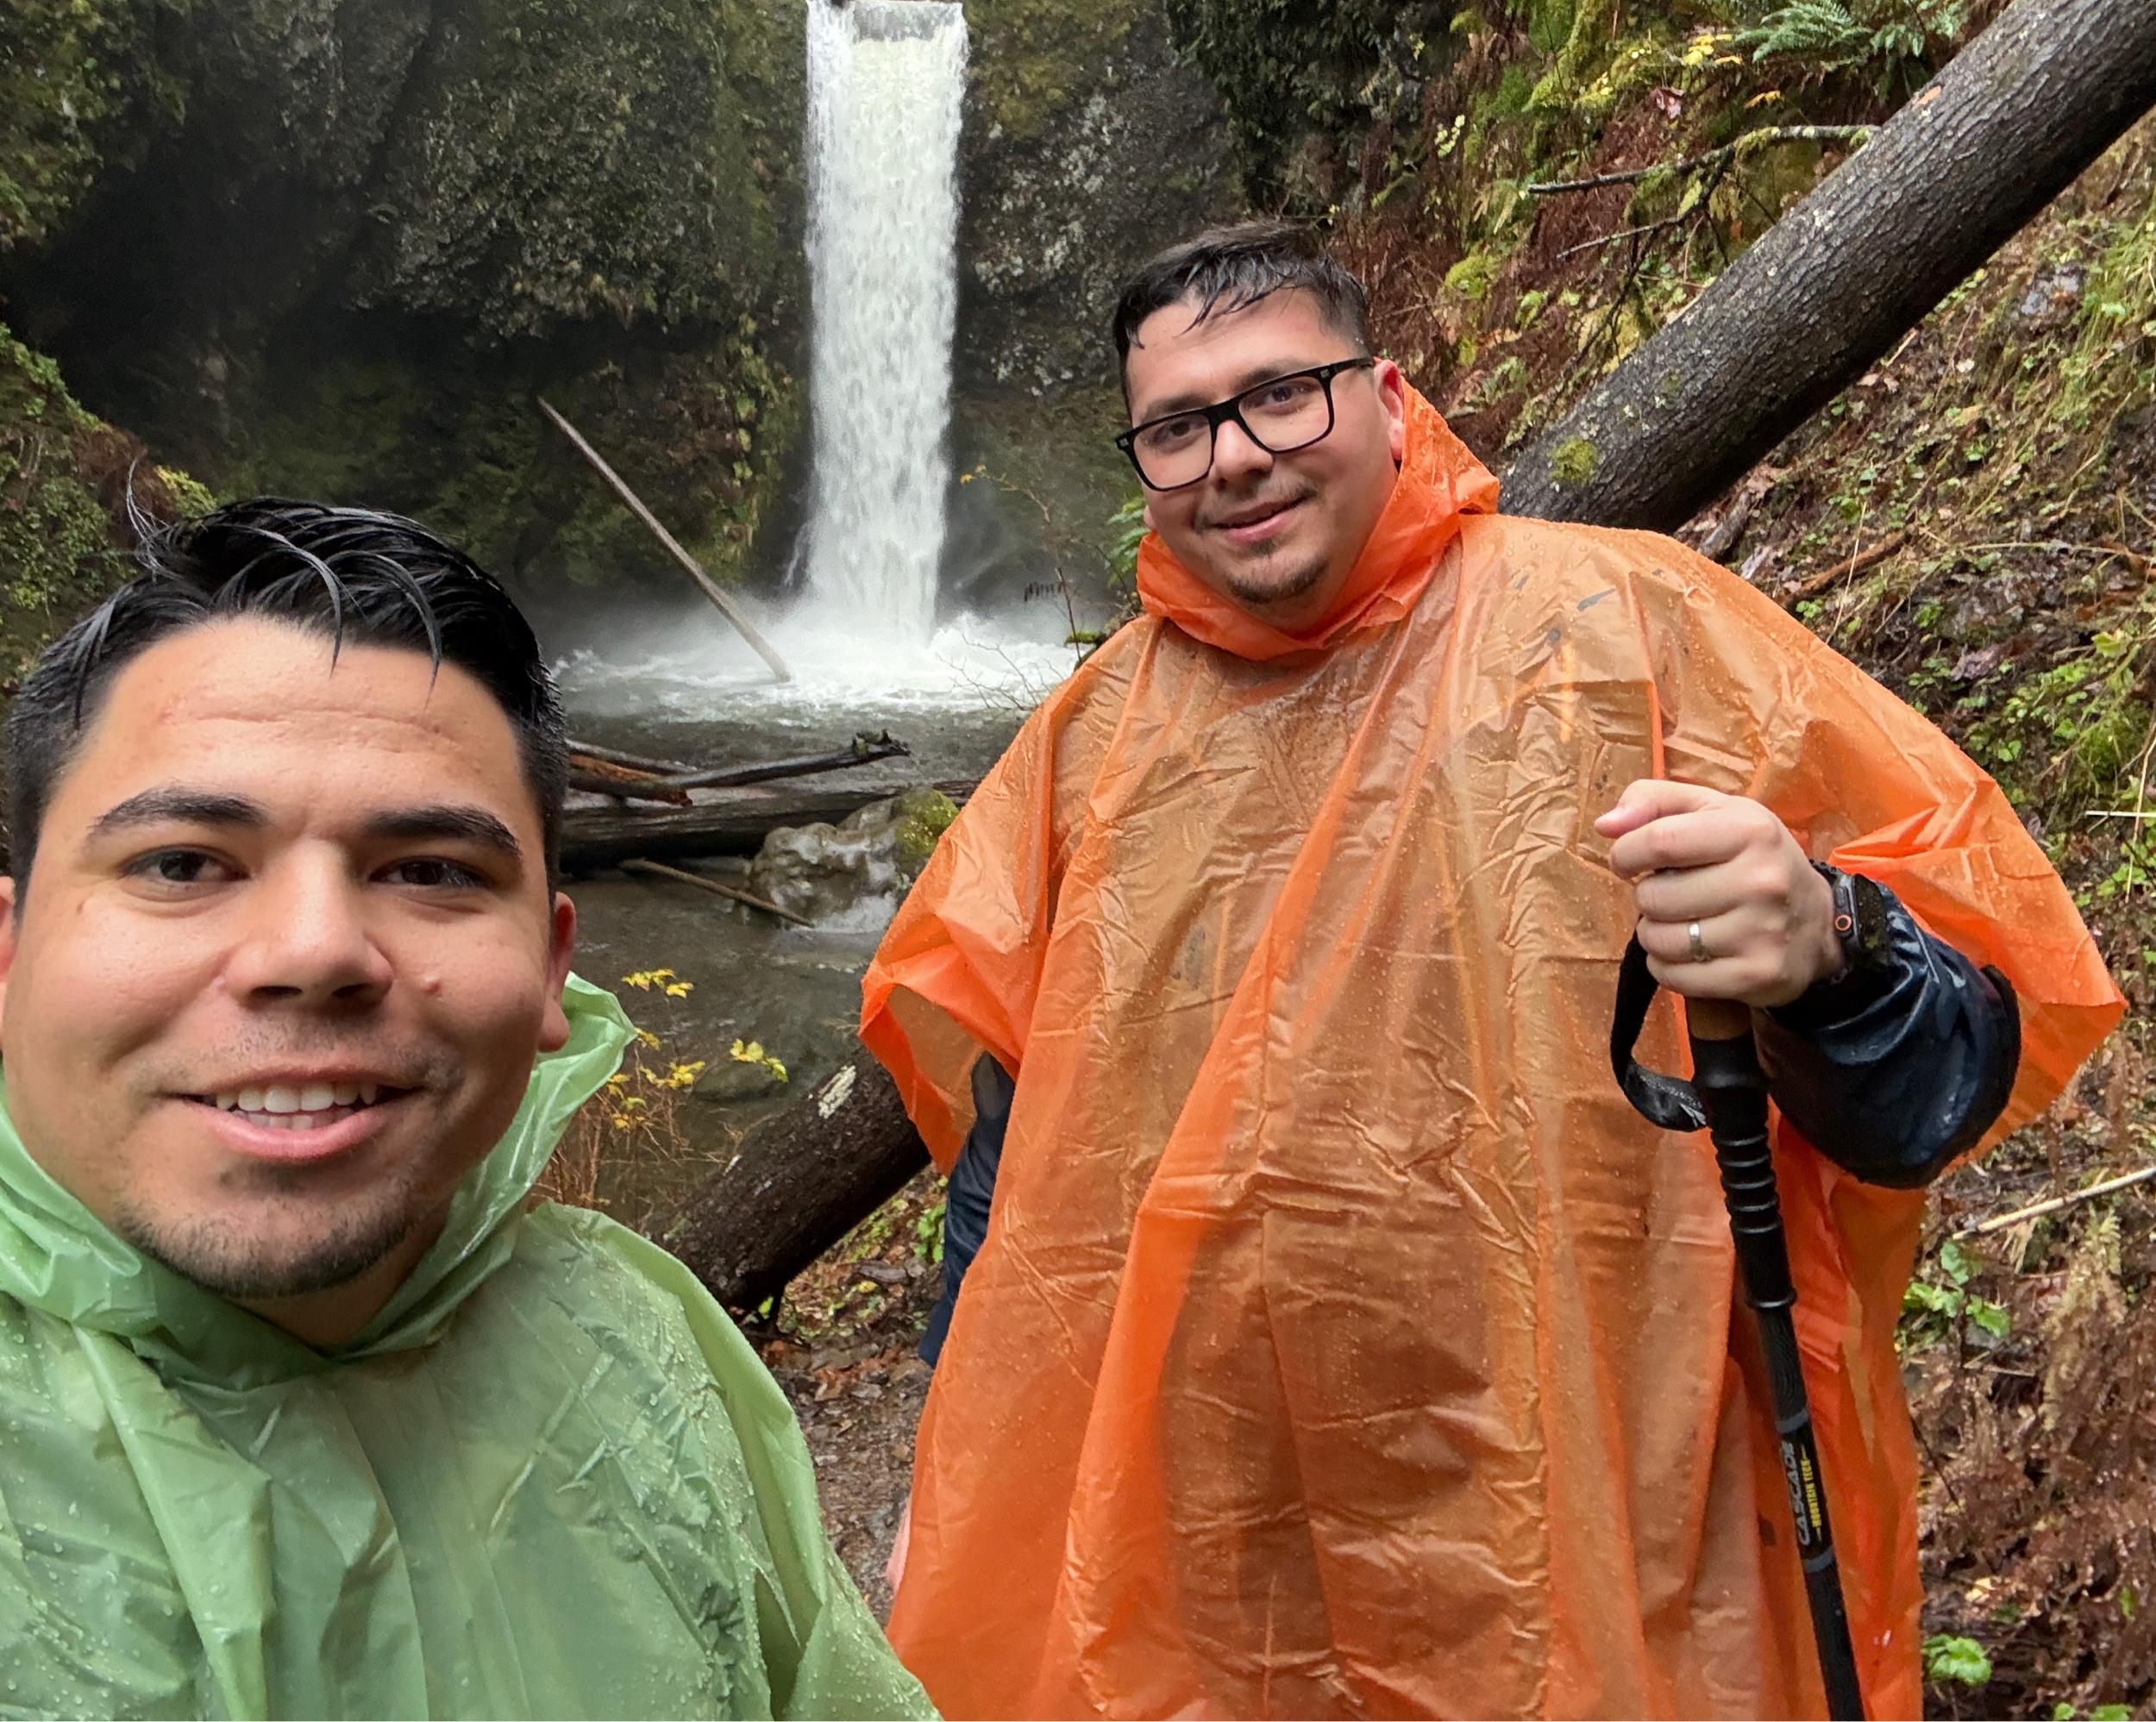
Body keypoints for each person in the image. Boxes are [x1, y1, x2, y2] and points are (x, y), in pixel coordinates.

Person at [862, 221, 2122, 1720]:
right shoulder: (1092, 747)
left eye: (1282, 395)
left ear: (1390, 400)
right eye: (1179, 427)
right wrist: (956, 1471)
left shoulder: (1633, 633)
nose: (1235, 458)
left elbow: (1936, 1091)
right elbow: (1018, 1180)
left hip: (1585, 1520)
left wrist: (1832, 950)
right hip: (1215, 1557)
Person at [0, 498, 930, 1722]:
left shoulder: (646, 1346)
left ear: (551, 969)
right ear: (10, 945)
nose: (313, 951)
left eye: (431, 871)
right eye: (181, 863)